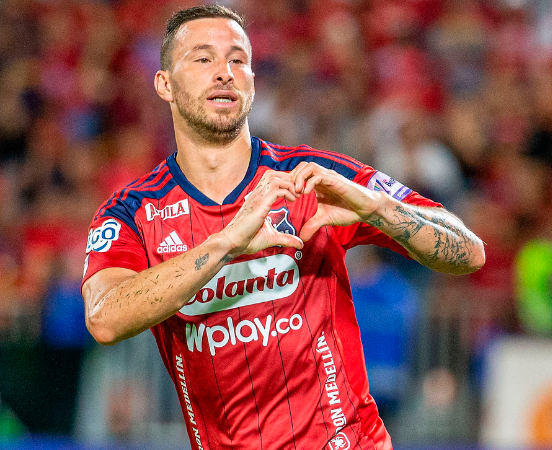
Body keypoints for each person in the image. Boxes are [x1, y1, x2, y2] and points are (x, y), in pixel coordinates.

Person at [79, 6, 486, 449]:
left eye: (238, 59)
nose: (224, 73)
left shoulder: (312, 176)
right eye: (202, 59)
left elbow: (469, 252)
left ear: (253, 82)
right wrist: (228, 244)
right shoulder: (132, 212)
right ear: (164, 84)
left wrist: (376, 207)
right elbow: (104, 317)